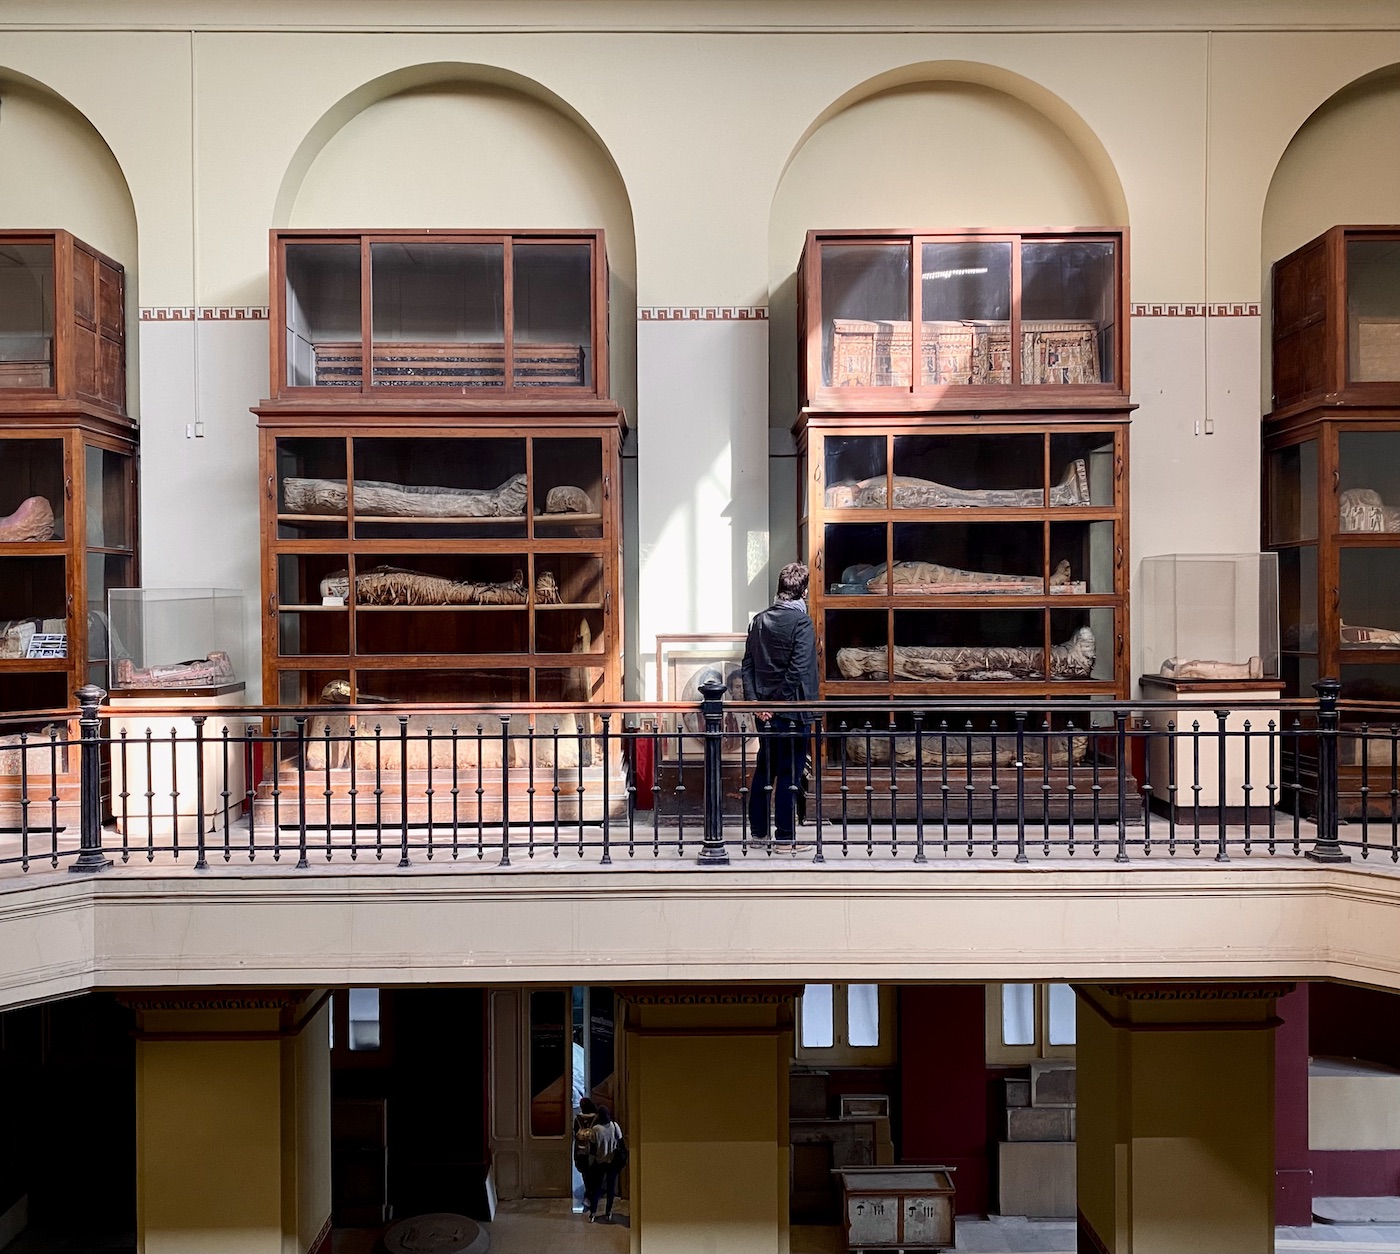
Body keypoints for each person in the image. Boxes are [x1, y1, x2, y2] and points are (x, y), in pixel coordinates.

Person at [742, 561, 819, 850]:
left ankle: (759, 834)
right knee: (789, 773)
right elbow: (798, 668)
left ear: (779, 589)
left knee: (765, 768)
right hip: (792, 711)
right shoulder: (802, 622)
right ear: (804, 592)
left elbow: (746, 665)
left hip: (765, 711)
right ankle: (785, 838)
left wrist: (756, 704)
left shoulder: (759, 620)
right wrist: (774, 705)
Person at [585, 1103, 626, 1223]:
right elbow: (621, 1143)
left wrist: (590, 1163)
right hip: (612, 1161)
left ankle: (593, 1213)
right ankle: (608, 1212)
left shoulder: (596, 1129)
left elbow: (592, 1149)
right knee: (610, 1187)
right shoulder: (614, 1126)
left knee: (596, 1188)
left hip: (599, 1161)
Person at [572, 1096, 597, 1209]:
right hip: (593, 1150)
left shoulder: (578, 1119)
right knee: (594, 1173)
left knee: (585, 1173)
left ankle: (588, 1193)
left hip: (581, 1151)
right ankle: (593, 1193)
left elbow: (574, 1133)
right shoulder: (596, 1118)